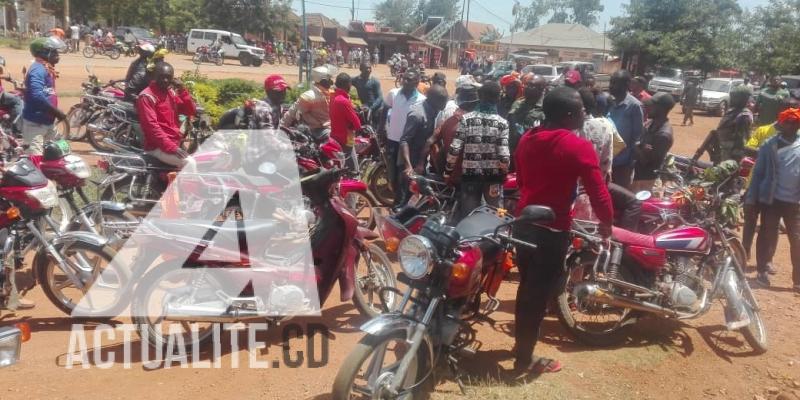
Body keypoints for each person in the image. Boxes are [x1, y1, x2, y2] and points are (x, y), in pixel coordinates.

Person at [513, 86, 613, 376]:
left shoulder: (526, 139)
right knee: (538, 292)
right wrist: (607, 223)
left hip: (523, 225)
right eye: (582, 109)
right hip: (551, 231)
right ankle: (524, 360)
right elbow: (599, 192)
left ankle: (522, 347)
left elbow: (520, 180)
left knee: (528, 288)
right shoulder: (577, 146)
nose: (585, 113)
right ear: (569, 115)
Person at [746, 107, 800, 293]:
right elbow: (758, 174)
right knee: (767, 235)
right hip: (771, 200)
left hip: (795, 204)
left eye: (794, 123)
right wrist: (751, 200)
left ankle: (798, 281)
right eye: (787, 122)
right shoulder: (770, 145)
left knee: (797, 239)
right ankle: (762, 271)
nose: (790, 126)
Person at [444, 81, 510, 222]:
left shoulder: (466, 120)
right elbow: (504, 157)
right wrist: (503, 175)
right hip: (493, 178)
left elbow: (454, 150)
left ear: (479, 96)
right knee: (497, 213)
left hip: (470, 177)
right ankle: (499, 237)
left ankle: (466, 241)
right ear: (498, 98)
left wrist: (447, 172)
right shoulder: (502, 123)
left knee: (468, 215)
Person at [136, 62, 197, 171]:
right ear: (154, 76)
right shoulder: (147, 96)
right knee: (189, 163)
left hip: (173, 142)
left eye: (168, 77)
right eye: (161, 77)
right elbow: (152, 128)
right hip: (157, 147)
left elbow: (190, 110)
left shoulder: (170, 93)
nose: (165, 80)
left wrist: (182, 90)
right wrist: (172, 147)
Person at [384, 70, 425, 208]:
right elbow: (384, 110)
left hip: (407, 144)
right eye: (405, 78)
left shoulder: (421, 100)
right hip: (392, 140)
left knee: (404, 176)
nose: (406, 81)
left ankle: (401, 205)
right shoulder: (393, 93)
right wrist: (381, 129)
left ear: (417, 83)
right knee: (392, 173)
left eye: (410, 79)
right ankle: (396, 198)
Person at [426, 78, 480, 176]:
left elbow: (430, 141)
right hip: (469, 178)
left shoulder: (449, 121)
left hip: (449, 176)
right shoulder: (478, 124)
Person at [22, 37, 67, 155]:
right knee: (35, 161)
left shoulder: (46, 68)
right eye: (54, 52)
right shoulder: (38, 69)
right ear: (43, 52)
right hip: (35, 125)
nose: (58, 55)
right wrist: (55, 111)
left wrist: (53, 112)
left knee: (61, 154)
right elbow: (37, 96)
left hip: (48, 123)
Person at [399, 84, 449, 190]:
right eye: (444, 100)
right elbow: (404, 140)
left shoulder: (435, 111)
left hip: (421, 158)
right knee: (406, 193)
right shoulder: (417, 115)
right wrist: (408, 166)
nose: (446, 103)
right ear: (435, 100)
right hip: (410, 159)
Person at [695, 86, 753, 164]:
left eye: (733, 97)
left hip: (726, 153)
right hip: (727, 154)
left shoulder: (736, 114)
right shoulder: (740, 114)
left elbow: (740, 140)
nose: (731, 99)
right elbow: (742, 140)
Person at [632, 92, 675, 192]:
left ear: (661, 109)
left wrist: (634, 145)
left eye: (652, 106)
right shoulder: (650, 123)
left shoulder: (663, 135)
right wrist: (640, 146)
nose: (648, 107)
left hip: (646, 182)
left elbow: (647, 162)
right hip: (637, 176)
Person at [609, 70, 645, 189]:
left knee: (620, 194)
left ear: (626, 85)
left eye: (615, 83)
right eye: (611, 83)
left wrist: (629, 161)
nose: (611, 86)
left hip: (623, 162)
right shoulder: (609, 102)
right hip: (607, 158)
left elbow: (637, 136)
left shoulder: (634, 106)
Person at [507, 74, 546, 169]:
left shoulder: (546, 108)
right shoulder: (517, 103)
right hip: (513, 154)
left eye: (531, 85)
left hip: (533, 158)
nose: (526, 87)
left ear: (541, 89)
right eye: (526, 84)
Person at [283, 66, 333, 131]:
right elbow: (291, 113)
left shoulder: (327, 92)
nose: (331, 82)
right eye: (329, 80)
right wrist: (282, 129)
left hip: (328, 127)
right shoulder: (308, 96)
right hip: (317, 130)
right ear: (323, 81)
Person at [330, 73, 362, 172]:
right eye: (350, 84)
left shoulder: (333, 96)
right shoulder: (343, 101)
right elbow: (357, 123)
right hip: (346, 138)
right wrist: (358, 127)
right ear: (347, 84)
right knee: (354, 170)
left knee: (342, 163)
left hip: (335, 135)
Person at [351, 62, 383, 126]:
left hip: (375, 109)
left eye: (369, 68)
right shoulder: (356, 80)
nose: (368, 70)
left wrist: (371, 108)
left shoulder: (374, 81)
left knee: (375, 129)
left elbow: (380, 97)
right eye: (366, 68)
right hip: (364, 109)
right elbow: (344, 82)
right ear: (361, 69)